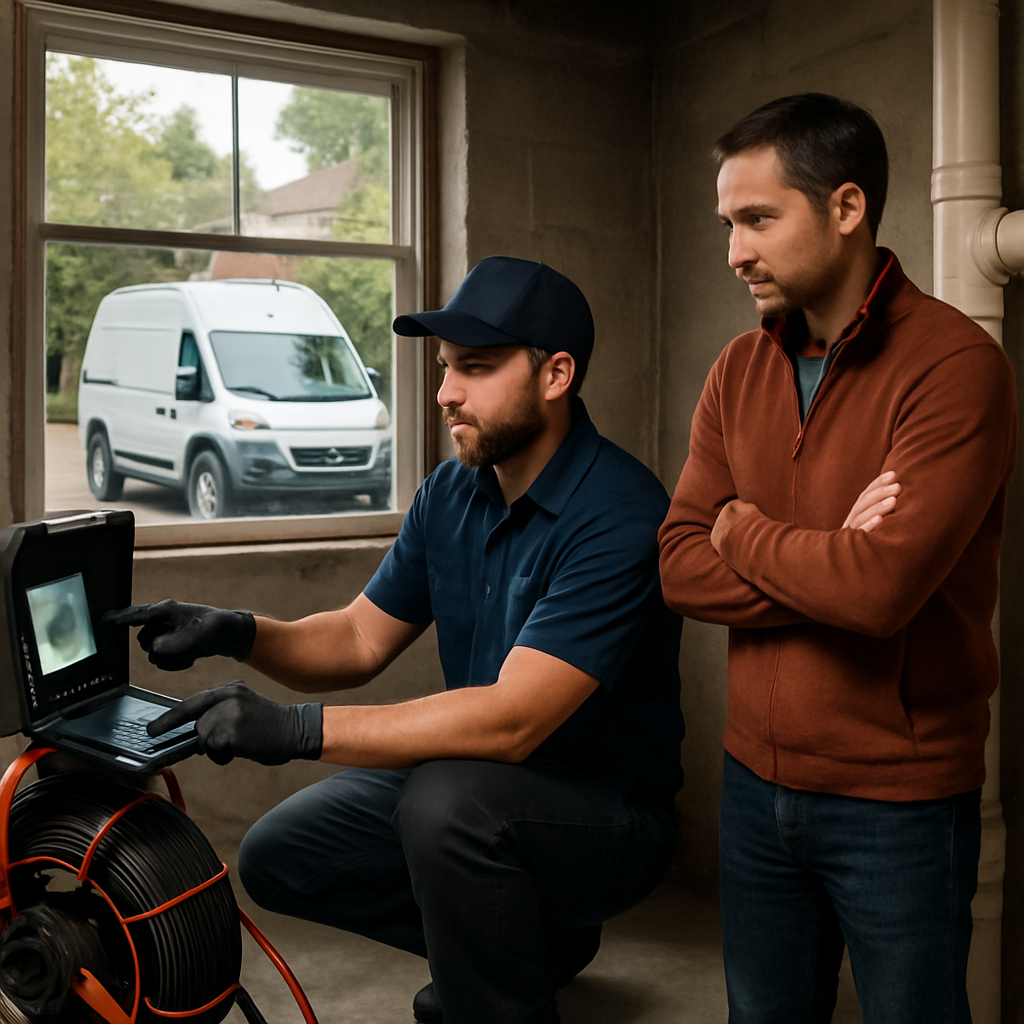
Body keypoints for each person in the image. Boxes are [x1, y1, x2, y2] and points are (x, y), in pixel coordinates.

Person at [109, 256, 685, 1024]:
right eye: (446, 368)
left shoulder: (618, 514)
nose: (446, 392)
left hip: (606, 821)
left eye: (475, 369)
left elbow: (514, 721)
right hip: (478, 788)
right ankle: (522, 951)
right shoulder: (451, 494)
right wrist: (239, 632)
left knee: (446, 801)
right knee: (281, 855)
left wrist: (293, 730)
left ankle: (497, 1000)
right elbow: (354, 639)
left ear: (555, 374)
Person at [657, 93, 1017, 1023]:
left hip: (898, 801)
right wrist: (829, 558)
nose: (734, 249)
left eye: (758, 219)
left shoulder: (956, 365)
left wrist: (741, 528)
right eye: (728, 223)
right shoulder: (738, 368)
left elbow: (879, 591)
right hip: (754, 782)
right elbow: (676, 566)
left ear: (846, 208)